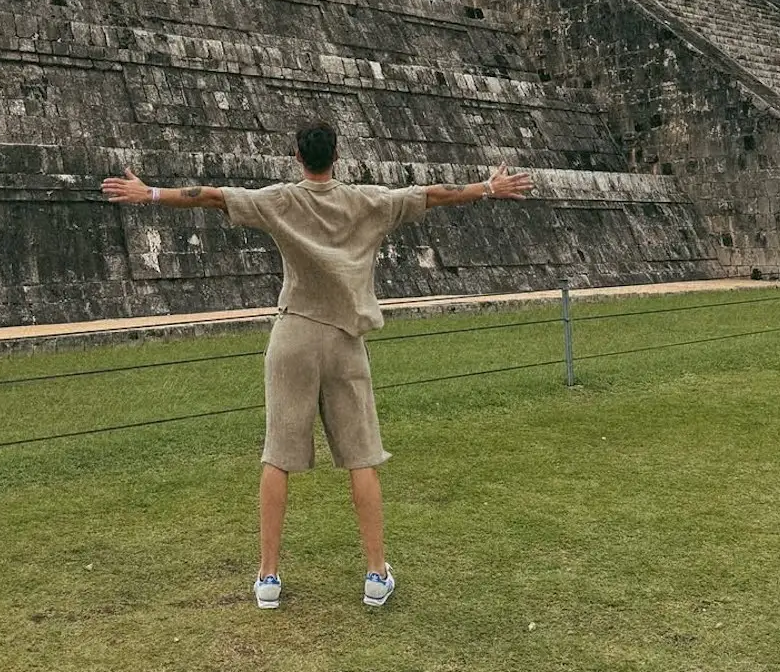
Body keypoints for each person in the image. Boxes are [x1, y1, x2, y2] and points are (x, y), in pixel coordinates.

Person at [102, 122, 532, 609]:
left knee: (277, 455)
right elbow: (431, 195)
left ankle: (268, 577)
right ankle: (375, 572)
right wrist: (489, 188)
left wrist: (149, 192)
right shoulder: (366, 201)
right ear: (337, 157)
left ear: (297, 157)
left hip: (295, 335)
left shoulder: (283, 199)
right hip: (345, 337)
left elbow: (212, 196)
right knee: (362, 455)